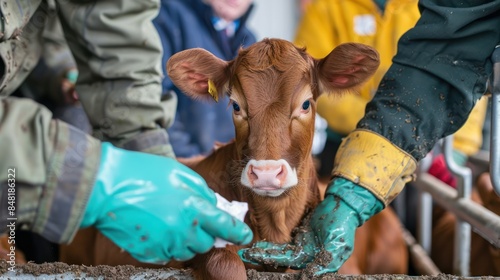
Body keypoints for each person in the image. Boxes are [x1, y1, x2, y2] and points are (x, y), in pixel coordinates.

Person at [239, 0, 500, 275]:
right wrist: (352, 191)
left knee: (439, 229)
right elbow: (447, 59)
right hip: (357, 147)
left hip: (428, 151)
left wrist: (454, 149)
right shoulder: (328, 7)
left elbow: (460, 78)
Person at [0, 0, 253, 264]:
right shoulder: (173, 18)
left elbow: (111, 21)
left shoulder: (247, 38)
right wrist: (95, 182)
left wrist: (149, 151)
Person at [153, 0, 256, 158]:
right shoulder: (168, 16)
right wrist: (195, 162)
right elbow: (154, 98)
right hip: (181, 167)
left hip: (225, 171)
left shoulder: (250, 41)